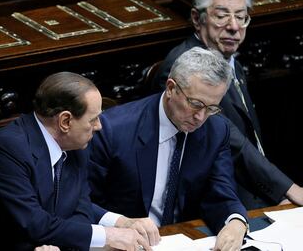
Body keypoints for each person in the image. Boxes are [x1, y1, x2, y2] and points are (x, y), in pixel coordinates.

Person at [151, 0, 303, 214]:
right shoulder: (187, 71)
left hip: (255, 187)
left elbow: (251, 142)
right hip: (217, 199)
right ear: (196, 18)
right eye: (222, 16)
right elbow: (232, 146)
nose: (234, 27)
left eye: (241, 17)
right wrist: (286, 191)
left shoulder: (229, 59)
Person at [0, 72, 159, 251]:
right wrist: (106, 236)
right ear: (65, 121)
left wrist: (74, 241)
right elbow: (34, 222)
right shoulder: (7, 149)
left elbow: (78, 207)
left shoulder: (76, 147)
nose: (99, 126)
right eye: (93, 119)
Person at [88, 47, 249, 251]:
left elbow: (221, 192)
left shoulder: (216, 130)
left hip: (185, 240)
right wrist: (120, 222)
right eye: (196, 104)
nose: (201, 117)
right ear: (171, 88)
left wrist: (235, 222)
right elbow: (80, 202)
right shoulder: (114, 130)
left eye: (211, 108)